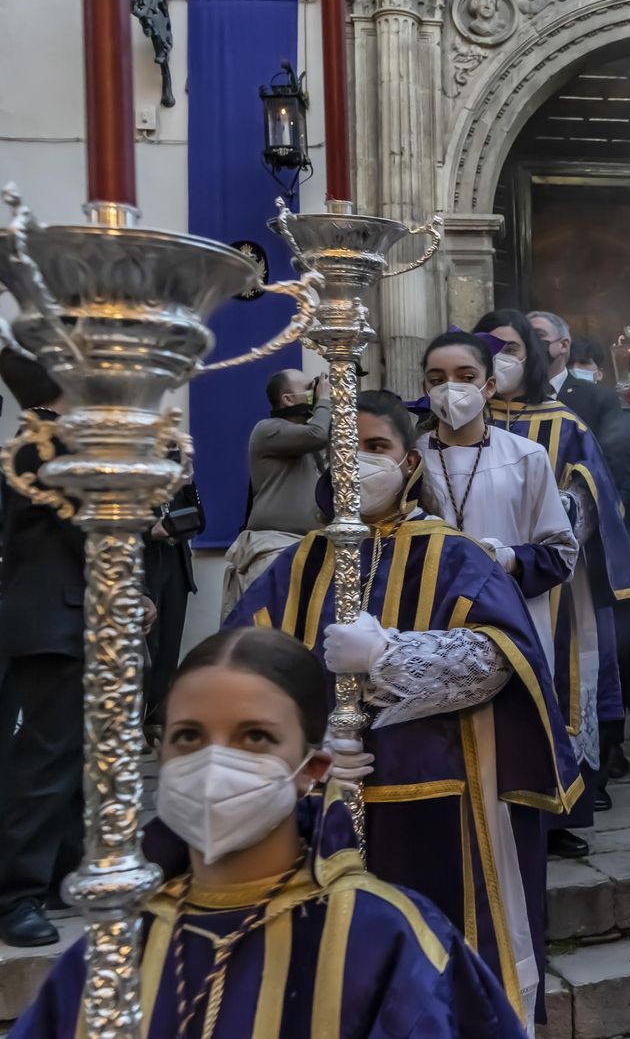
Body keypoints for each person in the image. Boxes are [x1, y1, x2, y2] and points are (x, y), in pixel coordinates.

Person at [229, 390, 582, 1024]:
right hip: (319, 799)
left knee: (438, 973)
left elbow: (504, 659)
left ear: (409, 462)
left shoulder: (455, 554)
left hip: (445, 793)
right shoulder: (299, 563)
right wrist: (298, 749)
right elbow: (238, 671)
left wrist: (390, 655)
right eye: (347, 450)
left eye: (376, 447)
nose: (360, 462)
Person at [10, 626, 530, 1038]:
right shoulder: (118, 943)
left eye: (255, 736)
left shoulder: (383, 938)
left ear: (312, 769)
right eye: (188, 736)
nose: (214, 762)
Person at [416, 330, 587, 862]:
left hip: (510, 636)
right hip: (426, 637)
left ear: (489, 385)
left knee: (503, 783)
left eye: (465, 377)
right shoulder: (409, 459)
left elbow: (561, 553)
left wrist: (508, 558)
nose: (451, 389)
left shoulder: (526, 456)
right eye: (437, 379)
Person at [478, 311, 630, 822]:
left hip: (550, 583)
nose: (500, 359)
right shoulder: (455, 424)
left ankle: (555, 814)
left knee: (556, 678)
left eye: (511, 349)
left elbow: (595, 497)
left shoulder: (564, 423)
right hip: (472, 575)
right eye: (490, 348)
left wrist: (548, 519)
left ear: (531, 356)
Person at [0, 350, 90, 947]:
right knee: (45, 760)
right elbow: (91, 526)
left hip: (62, 617)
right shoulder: (47, 444)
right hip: (53, 622)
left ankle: (62, 868)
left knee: (73, 756)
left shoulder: (37, 442)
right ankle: (16, 895)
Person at [221, 366, 331, 617]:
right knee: (271, 626)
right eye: (309, 388)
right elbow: (318, 434)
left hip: (308, 547)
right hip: (273, 549)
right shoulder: (268, 429)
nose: (316, 391)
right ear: (288, 399)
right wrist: (324, 400)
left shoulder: (305, 439)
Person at [528, 310, 630, 507]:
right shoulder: (509, 398)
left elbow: (620, 468)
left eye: (538, 335)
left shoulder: (598, 399)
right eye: (525, 337)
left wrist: (602, 514)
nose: (531, 343)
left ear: (563, 345)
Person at [144, 467, 203, 725]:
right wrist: (151, 532)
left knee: (169, 649)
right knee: (147, 650)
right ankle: (134, 720)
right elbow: (118, 528)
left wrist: (188, 485)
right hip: (145, 568)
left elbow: (199, 521)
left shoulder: (177, 474)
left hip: (177, 567)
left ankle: (157, 720)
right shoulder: (133, 469)